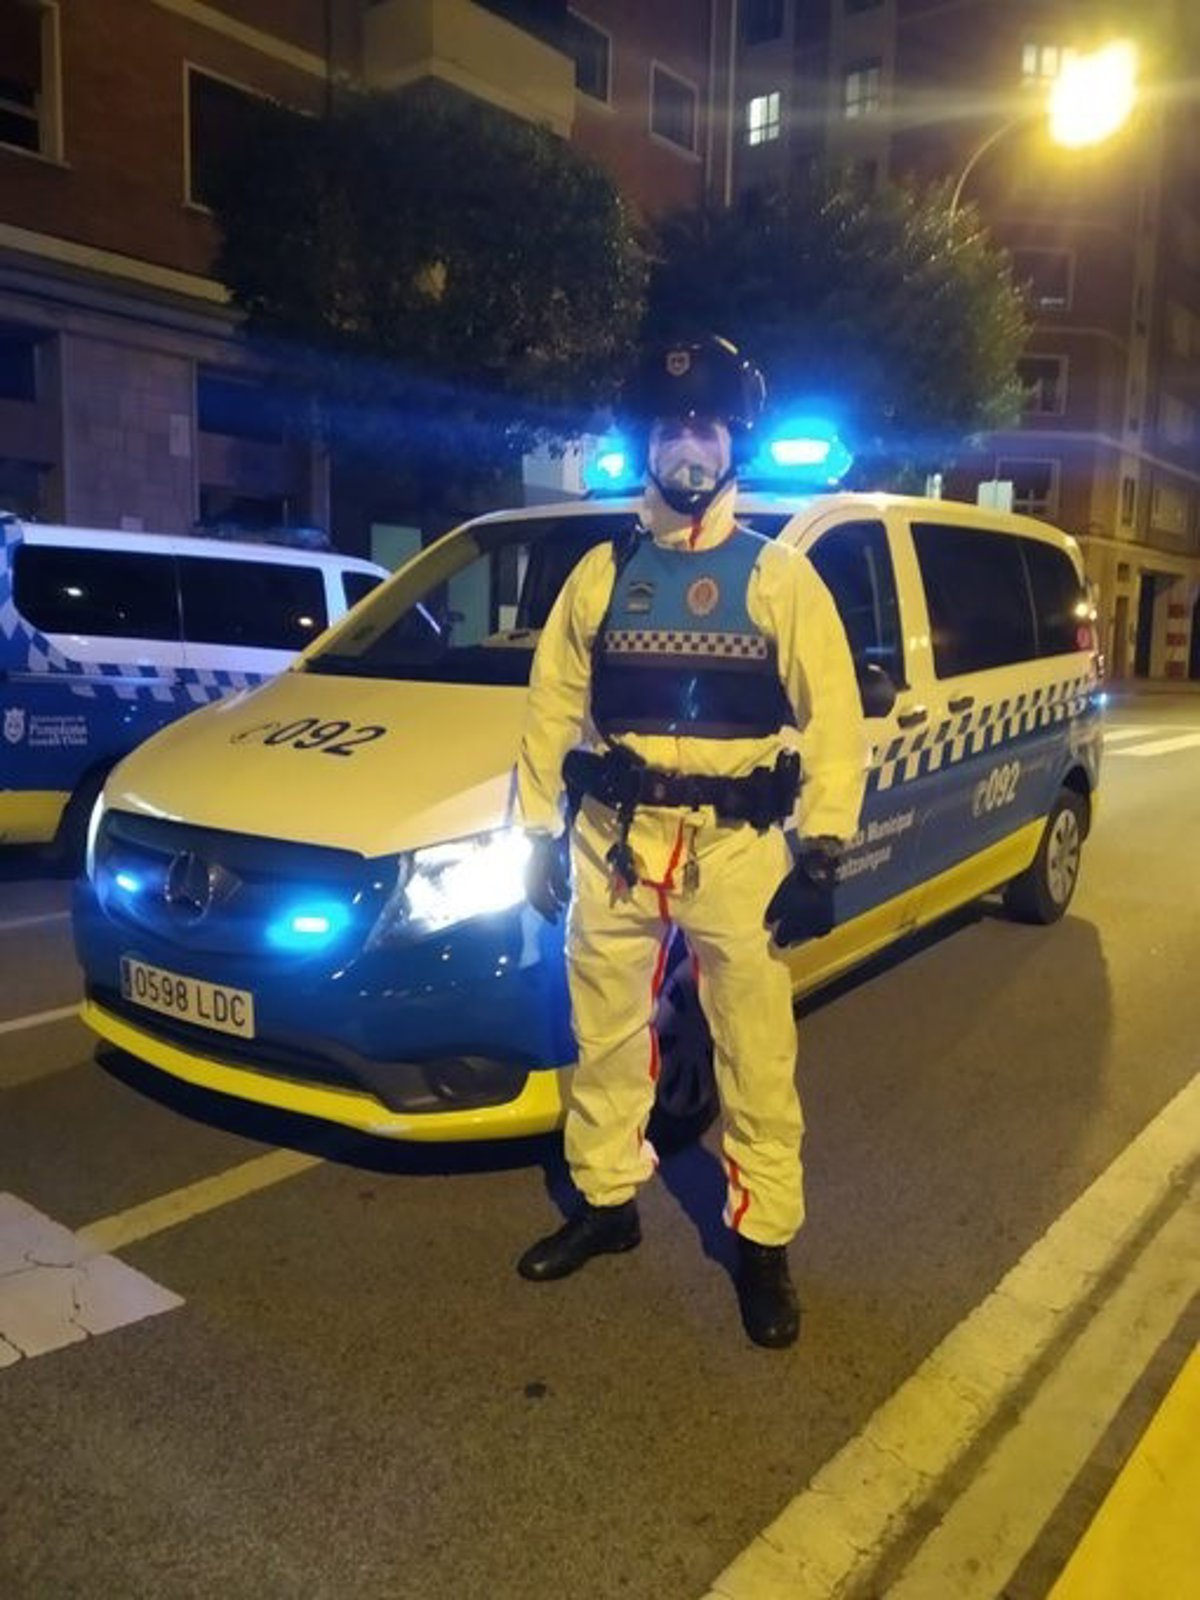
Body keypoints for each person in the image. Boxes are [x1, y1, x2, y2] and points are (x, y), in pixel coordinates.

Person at [514, 335, 867, 1348]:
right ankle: (606, 1202)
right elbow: (550, 707)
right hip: (615, 843)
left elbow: (834, 719)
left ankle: (764, 1243)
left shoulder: (780, 578)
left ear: (732, 442)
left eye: (706, 426)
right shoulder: (600, 574)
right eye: (671, 426)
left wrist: (823, 848)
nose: (688, 445)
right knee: (605, 1037)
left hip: (735, 849)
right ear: (648, 442)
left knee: (755, 1051)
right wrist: (536, 831)